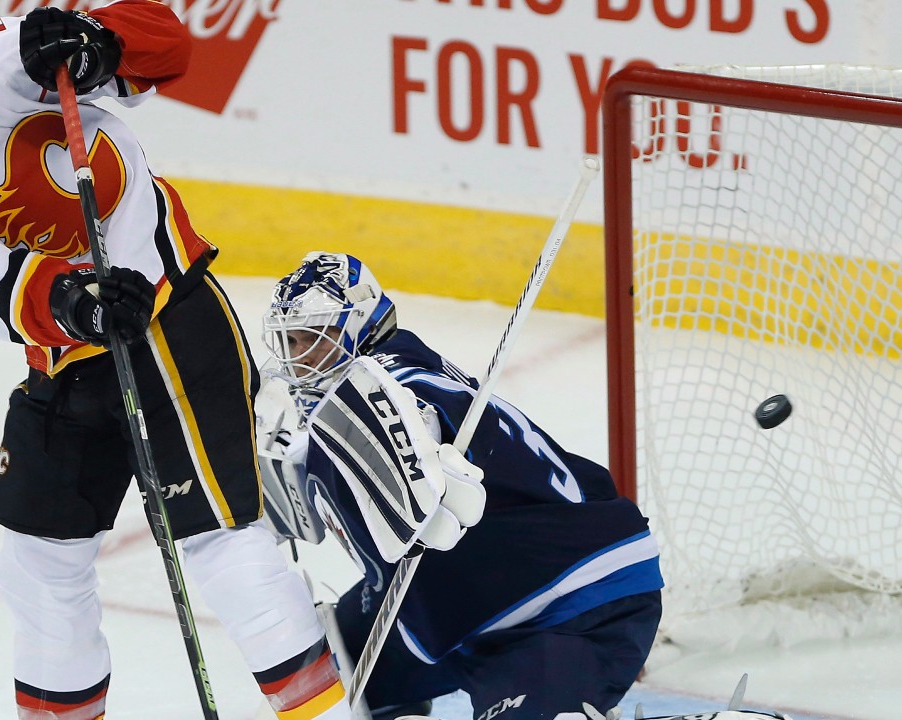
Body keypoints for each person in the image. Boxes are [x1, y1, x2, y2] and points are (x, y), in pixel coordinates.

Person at [0, 5, 351, 720]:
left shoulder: (1, 60)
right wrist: (77, 304)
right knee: (37, 563)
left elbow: (170, 45)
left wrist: (103, 44)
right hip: (66, 358)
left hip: (173, 319)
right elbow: (3, 291)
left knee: (216, 538)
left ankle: (326, 712)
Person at [254, 252, 665, 720]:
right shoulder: (330, 406)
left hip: (568, 600)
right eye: (290, 339)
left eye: (315, 338)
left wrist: (428, 440)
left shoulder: (397, 379)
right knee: (330, 665)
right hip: (466, 605)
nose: (299, 356)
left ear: (360, 328)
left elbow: (418, 405)